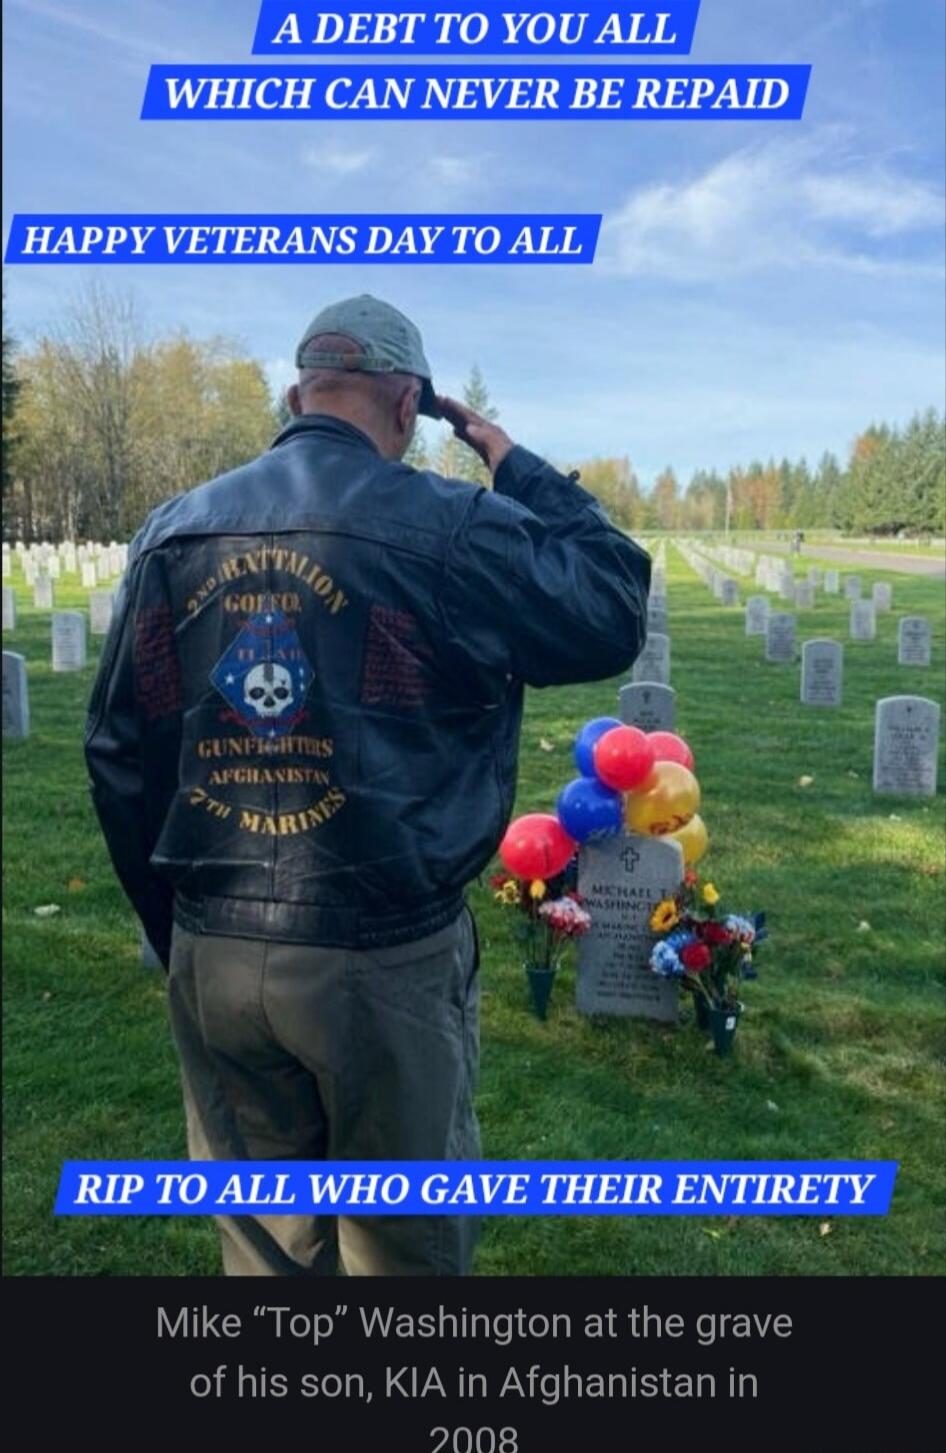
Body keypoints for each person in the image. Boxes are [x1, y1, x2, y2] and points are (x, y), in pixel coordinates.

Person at [84, 294, 651, 1276]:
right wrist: (510, 461)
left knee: (266, 1260)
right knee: (402, 1259)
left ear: (295, 392)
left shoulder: (174, 532)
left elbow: (118, 749)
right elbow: (607, 601)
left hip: (214, 948)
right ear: (406, 407)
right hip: (378, 953)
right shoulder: (452, 525)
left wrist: (176, 926)